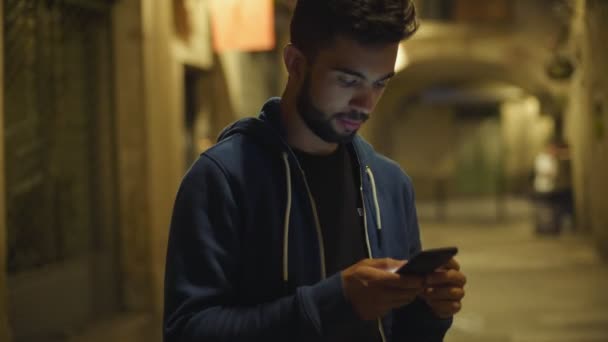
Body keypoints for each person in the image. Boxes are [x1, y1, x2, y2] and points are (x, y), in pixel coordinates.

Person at [163, 1, 466, 341]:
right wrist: (332, 303)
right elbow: (187, 331)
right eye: (348, 80)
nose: (365, 103)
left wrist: (430, 309)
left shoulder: (389, 183)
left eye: (379, 83)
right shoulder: (223, 178)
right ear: (295, 63)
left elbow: (403, 333)